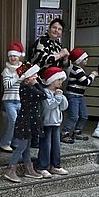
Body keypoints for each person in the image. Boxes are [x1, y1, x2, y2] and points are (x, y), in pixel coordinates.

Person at [3, 63, 46, 183]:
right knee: (21, 146)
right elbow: (43, 95)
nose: (36, 77)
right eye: (34, 75)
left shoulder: (29, 87)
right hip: (25, 120)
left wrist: (36, 83)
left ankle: (29, 168)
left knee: (26, 146)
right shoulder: (26, 88)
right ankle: (11, 170)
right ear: (28, 77)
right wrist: (37, 84)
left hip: (30, 119)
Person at [30, 19, 69, 148]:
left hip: (52, 83)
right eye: (54, 28)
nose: (56, 31)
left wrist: (66, 57)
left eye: (59, 29)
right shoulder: (42, 41)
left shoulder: (58, 45)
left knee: (52, 109)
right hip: (40, 81)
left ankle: (47, 138)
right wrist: (60, 55)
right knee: (40, 110)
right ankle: (36, 139)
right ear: (49, 28)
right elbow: (42, 60)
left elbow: (64, 65)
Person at [34, 67, 69, 178]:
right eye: (58, 80)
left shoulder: (58, 93)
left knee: (56, 145)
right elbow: (49, 105)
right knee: (46, 145)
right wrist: (58, 97)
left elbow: (64, 107)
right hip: (47, 123)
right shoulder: (45, 92)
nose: (60, 82)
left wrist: (61, 97)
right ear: (51, 80)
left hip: (56, 123)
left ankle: (55, 165)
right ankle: (41, 166)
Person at [61, 48, 97, 144]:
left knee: (84, 115)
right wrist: (92, 75)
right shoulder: (76, 70)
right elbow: (85, 82)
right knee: (74, 116)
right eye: (85, 58)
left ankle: (77, 131)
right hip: (73, 96)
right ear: (79, 60)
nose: (87, 60)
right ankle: (65, 132)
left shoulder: (80, 69)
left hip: (80, 96)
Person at [0, 41, 25, 152]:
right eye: (10, 56)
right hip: (9, 100)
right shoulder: (6, 70)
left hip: (20, 100)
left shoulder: (23, 68)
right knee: (13, 121)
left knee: (19, 122)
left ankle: (15, 142)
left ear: (19, 56)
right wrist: (17, 76)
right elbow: (7, 85)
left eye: (14, 55)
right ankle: (5, 143)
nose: (12, 58)